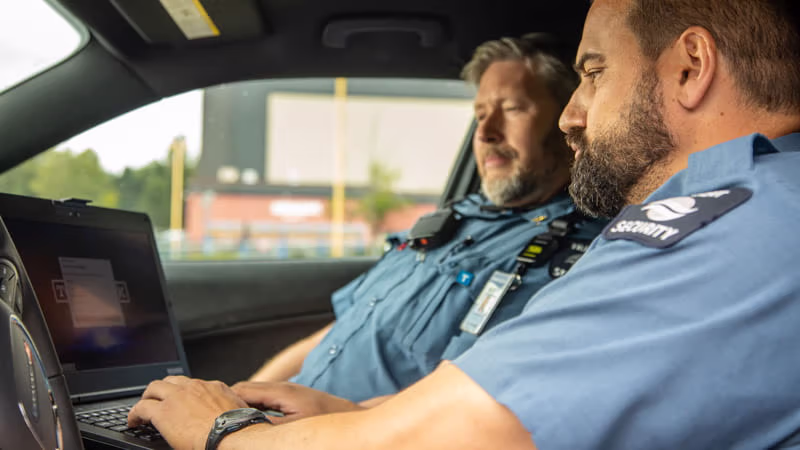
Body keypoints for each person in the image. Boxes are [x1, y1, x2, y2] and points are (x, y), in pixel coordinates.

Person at [128, 0, 800, 448]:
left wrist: (222, 430)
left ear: (690, 68)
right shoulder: (751, 207)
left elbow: (473, 431)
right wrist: (352, 414)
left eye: (594, 73)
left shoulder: (736, 224)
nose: (574, 114)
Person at [248, 33, 605, 403]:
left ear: (568, 119)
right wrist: (238, 400)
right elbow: (337, 332)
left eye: (512, 108)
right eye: (480, 114)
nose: (485, 132)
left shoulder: (569, 257)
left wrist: (320, 420)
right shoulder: (450, 219)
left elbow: (460, 401)